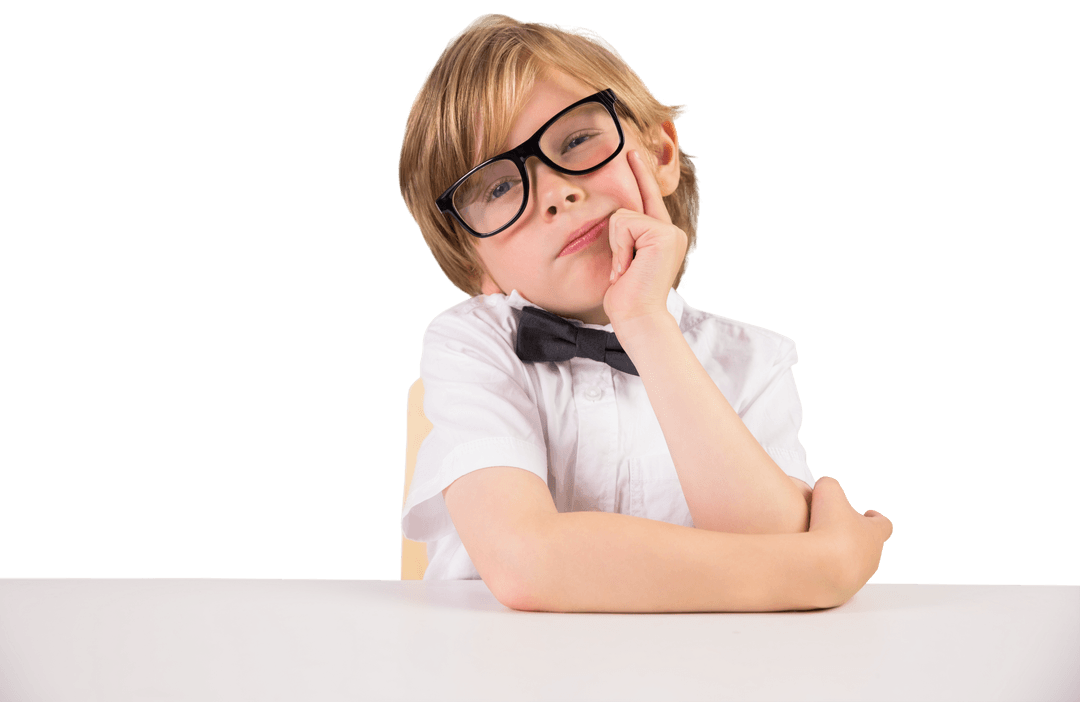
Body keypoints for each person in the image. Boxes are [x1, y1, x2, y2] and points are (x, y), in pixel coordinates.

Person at [397, 13, 892, 612]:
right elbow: (526, 562)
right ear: (476, 263)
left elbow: (769, 556)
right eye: (498, 188)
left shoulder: (753, 361)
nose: (556, 192)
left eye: (577, 141)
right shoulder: (470, 342)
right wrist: (824, 569)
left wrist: (644, 322)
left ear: (659, 152)